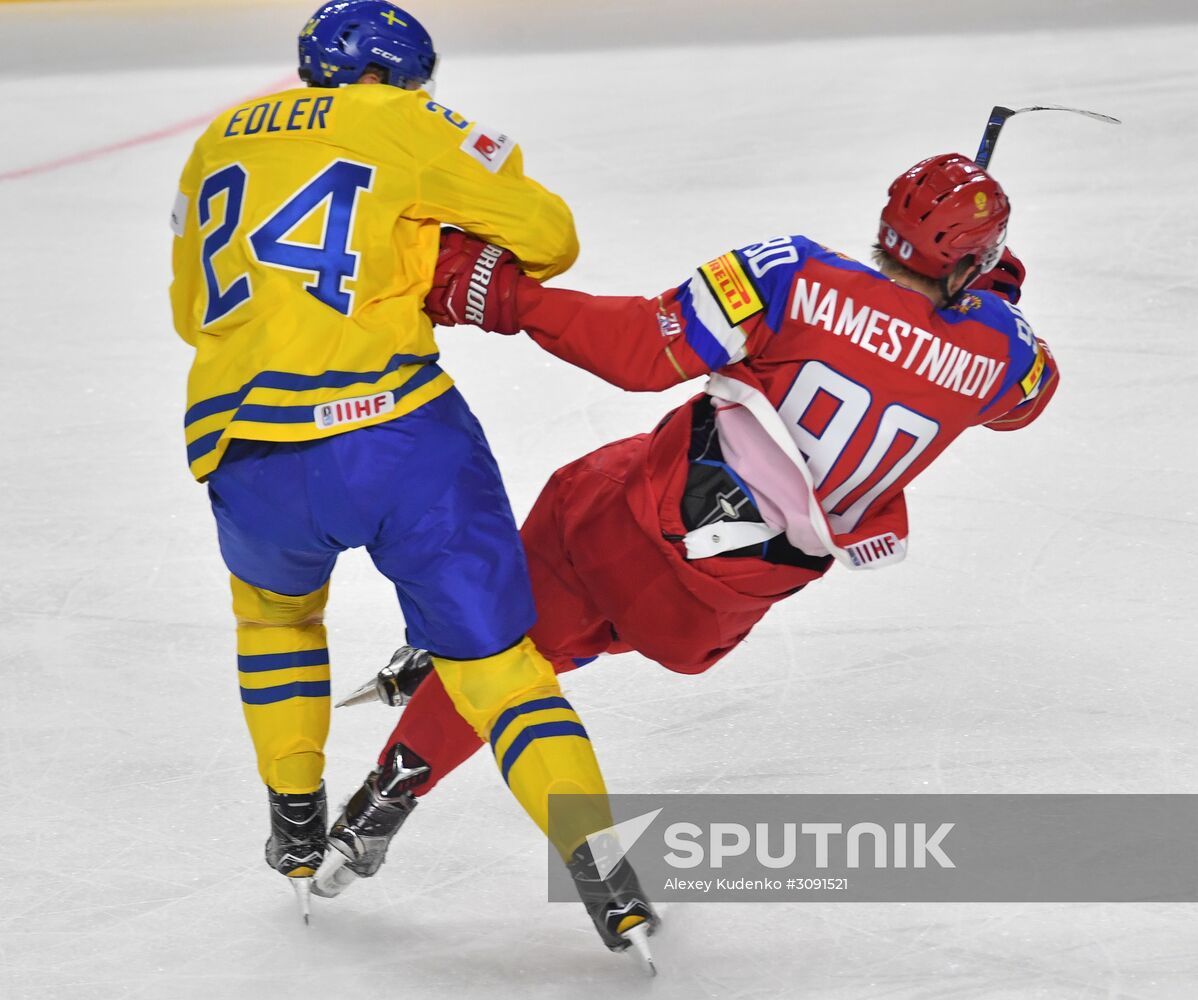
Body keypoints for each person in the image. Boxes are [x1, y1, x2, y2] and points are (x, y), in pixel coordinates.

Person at [337, 151, 1059, 855]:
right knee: (595, 621)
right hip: (714, 613)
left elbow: (640, 352)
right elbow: (1030, 396)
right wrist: (991, 298)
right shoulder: (1003, 357)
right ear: (970, 261)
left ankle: (387, 793)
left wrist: (511, 298)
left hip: (621, 524)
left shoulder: (793, 273)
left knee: (519, 640)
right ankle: (471, 661)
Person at [169, 0, 656, 951]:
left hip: (247, 446)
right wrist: (431, 230)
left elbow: (194, 312)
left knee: (275, 619)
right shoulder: (404, 119)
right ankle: (608, 882)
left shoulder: (213, 143)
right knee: (499, 674)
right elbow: (550, 236)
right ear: (403, 77)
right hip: (396, 439)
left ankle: (297, 822)